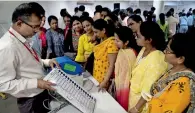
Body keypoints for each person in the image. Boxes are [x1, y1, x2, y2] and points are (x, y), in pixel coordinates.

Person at [0, 2, 59, 113]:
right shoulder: (7, 47)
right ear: (19, 23)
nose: (37, 30)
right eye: (34, 27)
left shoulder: (22, 38)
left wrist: (46, 61)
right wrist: (36, 83)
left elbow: (29, 62)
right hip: (30, 100)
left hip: (40, 91)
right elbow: (3, 84)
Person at [147, 33, 195, 113]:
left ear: (180, 58)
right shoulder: (173, 69)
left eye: (168, 50)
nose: (164, 51)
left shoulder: (184, 82)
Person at [128, 21, 167, 113]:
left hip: (142, 105)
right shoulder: (144, 49)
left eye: (138, 36)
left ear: (149, 40)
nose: (135, 38)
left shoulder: (157, 58)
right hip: (133, 97)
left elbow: (149, 89)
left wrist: (136, 108)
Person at [114, 26, 140, 111]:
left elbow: (125, 75)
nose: (115, 42)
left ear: (126, 42)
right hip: (124, 83)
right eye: (114, 39)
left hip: (125, 85)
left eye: (117, 41)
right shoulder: (127, 51)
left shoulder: (127, 53)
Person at [92, 19, 118, 88]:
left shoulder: (111, 43)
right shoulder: (101, 41)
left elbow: (111, 65)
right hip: (96, 76)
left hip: (105, 79)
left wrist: (105, 81)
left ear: (103, 30)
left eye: (96, 32)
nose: (94, 35)